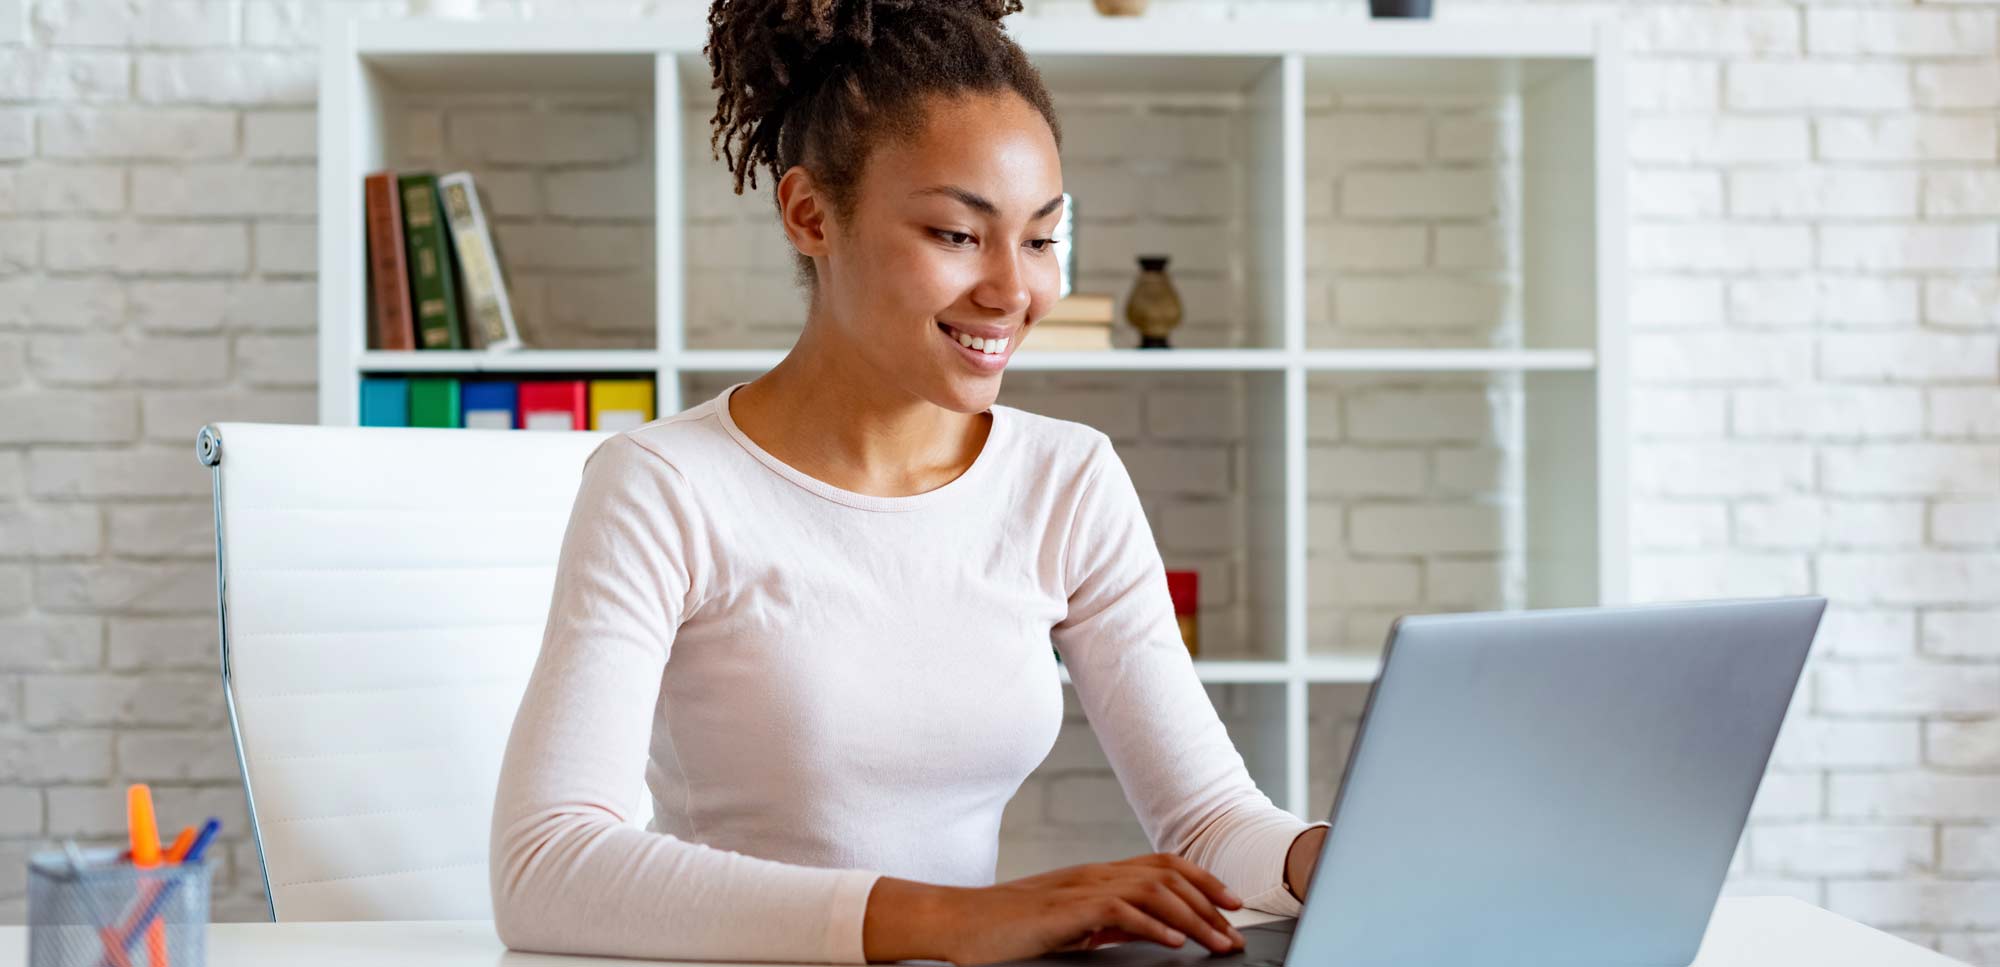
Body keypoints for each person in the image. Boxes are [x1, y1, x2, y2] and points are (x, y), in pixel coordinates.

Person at [487, 0, 1330, 961]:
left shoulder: (1067, 479)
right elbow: (547, 867)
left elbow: (1211, 821)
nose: (1014, 290)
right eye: (957, 235)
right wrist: (954, 917)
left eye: (1042, 238)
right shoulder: (664, 486)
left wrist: (1335, 857)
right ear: (811, 215)